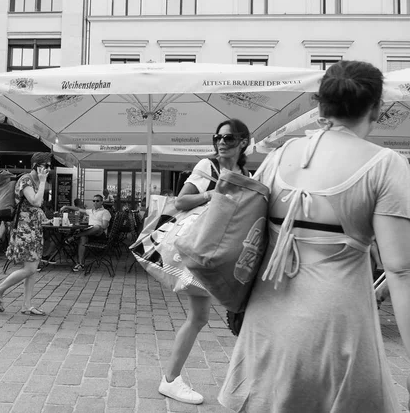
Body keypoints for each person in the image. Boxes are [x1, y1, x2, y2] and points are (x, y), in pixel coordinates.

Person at [218, 61, 410, 412]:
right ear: (376, 108)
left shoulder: (277, 157)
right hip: (337, 327)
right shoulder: (385, 165)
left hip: (267, 317)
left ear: (320, 105)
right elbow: (400, 271)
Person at [158, 118, 251, 405]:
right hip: (202, 252)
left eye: (229, 138)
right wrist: (213, 193)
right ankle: (173, 380)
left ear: (244, 142)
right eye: (218, 138)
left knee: (200, 317)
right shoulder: (206, 167)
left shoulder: (245, 172)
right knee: (242, 312)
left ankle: (171, 380)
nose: (222, 143)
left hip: (223, 251)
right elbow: (180, 202)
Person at [0, 152, 51, 316]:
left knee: (32, 267)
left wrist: (43, 219)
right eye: (46, 166)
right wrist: (43, 182)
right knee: (30, 268)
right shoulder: (26, 180)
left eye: (49, 166)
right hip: (25, 230)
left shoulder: (36, 181)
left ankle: (26, 305)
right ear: (37, 166)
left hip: (34, 229)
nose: (48, 169)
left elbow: (35, 207)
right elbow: (35, 201)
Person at [60, 193, 112, 272]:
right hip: (90, 234)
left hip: (100, 234)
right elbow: (78, 209)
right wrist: (66, 206)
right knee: (83, 237)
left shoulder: (105, 212)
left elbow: (104, 226)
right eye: (94, 201)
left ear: (102, 202)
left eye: (97, 201)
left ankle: (75, 236)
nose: (95, 202)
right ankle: (81, 264)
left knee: (97, 227)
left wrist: (94, 226)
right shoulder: (90, 211)